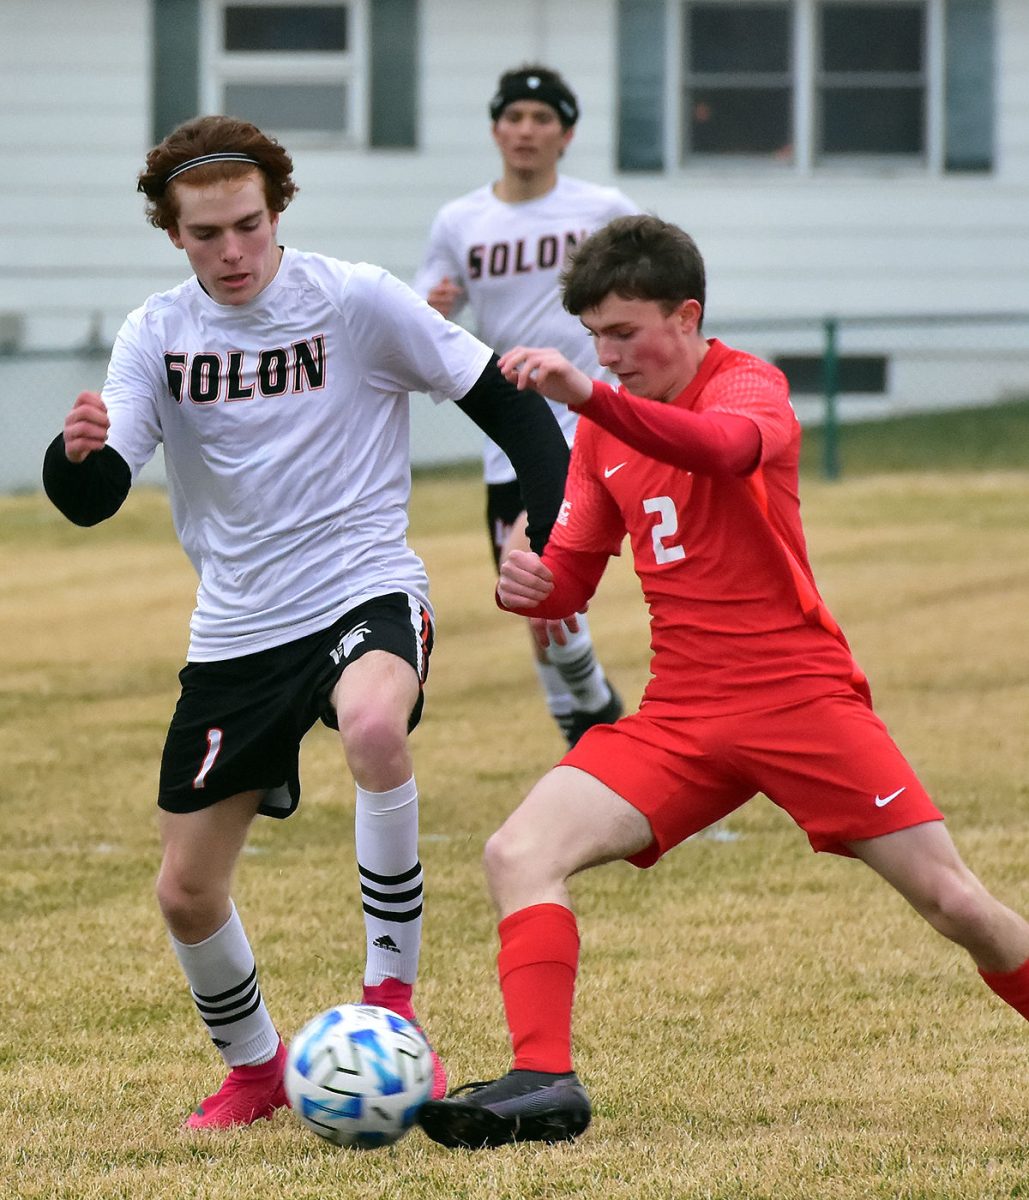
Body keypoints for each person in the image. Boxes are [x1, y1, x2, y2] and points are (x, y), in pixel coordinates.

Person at [417, 214, 1029, 1150]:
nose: (609, 355)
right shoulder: (598, 433)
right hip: (681, 715)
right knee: (517, 853)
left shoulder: (748, 385)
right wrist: (527, 583)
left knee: (955, 905)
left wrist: (588, 396)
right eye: (594, 339)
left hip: (800, 699)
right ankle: (544, 1081)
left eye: (624, 334)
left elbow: (723, 451)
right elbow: (575, 576)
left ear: (686, 314)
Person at [41, 114, 569, 1131]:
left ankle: (390, 1007)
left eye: (248, 226)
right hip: (237, 631)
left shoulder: (358, 300)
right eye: (206, 236)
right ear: (173, 236)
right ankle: (254, 1068)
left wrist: (545, 536)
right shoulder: (157, 334)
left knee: (374, 727)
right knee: (186, 893)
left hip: (362, 585)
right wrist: (73, 458)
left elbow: (512, 411)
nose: (233, 253)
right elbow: (98, 493)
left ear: (277, 210)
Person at [415, 64, 638, 748]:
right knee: (532, 598)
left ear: (566, 134)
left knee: (538, 573)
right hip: (508, 429)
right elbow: (421, 314)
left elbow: (657, 286)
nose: (525, 130)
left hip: (588, 420)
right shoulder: (460, 220)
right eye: (513, 117)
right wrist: (436, 308)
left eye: (542, 119)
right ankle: (590, 710)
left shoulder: (602, 210)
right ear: (494, 129)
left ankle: (592, 714)